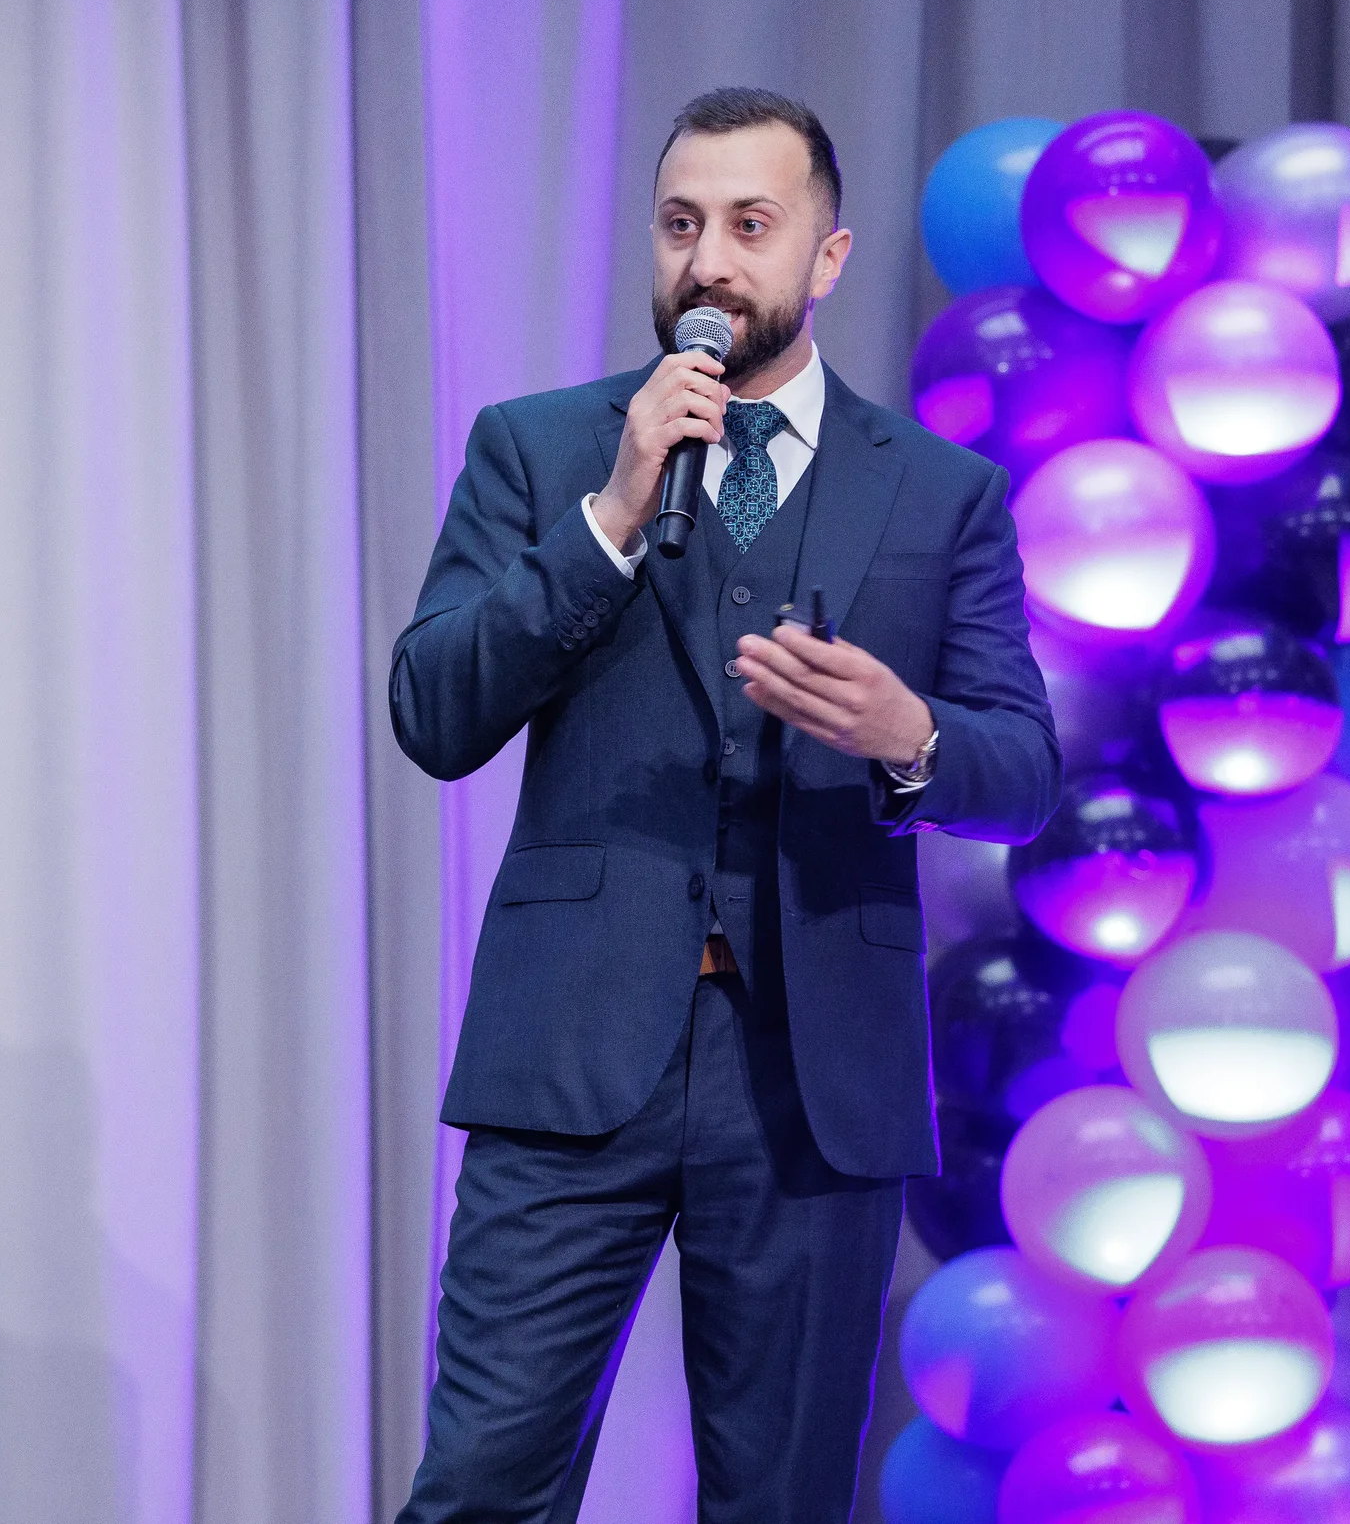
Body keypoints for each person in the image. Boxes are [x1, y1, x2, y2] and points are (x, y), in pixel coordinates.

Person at [389, 87, 1060, 1523]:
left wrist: (910, 731)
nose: (709, 261)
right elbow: (432, 710)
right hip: (571, 1057)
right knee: (481, 1485)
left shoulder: (942, 494)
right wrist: (611, 518)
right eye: (683, 224)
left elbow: (1024, 772)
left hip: (813, 1084)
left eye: (752, 226)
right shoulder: (545, 449)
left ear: (827, 258)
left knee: (780, 1501)